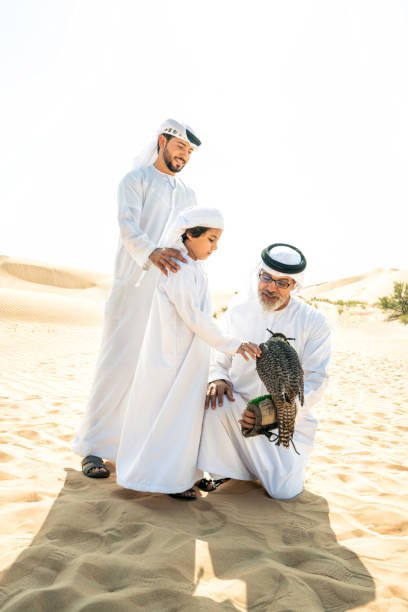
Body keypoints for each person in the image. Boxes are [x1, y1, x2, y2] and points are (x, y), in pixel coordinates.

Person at [73, 119, 201, 478]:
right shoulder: (135, 181)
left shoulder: (188, 194)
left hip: (167, 294)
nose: (184, 155)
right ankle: (94, 449)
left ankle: (136, 448)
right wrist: (151, 252)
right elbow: (128, 225)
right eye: (180, 147)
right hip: (133, 286)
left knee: (154, 372)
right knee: (116, 367)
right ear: (162, 141)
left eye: (189, 151)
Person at [115, 207, 261, 500]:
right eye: (210, 239)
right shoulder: (180, 267)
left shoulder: (192, 266)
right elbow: (193, 316)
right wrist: (232, 344)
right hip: (173, 359)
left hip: (187, 356)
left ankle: (183, 476)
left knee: (184, 418)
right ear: (190, 235)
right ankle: (168, 480)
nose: (215, 247)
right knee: (173, 417)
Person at [197, 243, 331, 500]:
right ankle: (226, 470)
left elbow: (317, 378)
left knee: (283, 492)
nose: (271, 287)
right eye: (266, 278)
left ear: (294, 286)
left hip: (283, 418)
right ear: (258, 275)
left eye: (282, 282)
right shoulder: (238, 311)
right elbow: (219, 355)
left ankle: (272, 469)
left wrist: (274, 410)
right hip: (237, 407)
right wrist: (218, 378)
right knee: (215, 402)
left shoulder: (312, 322)